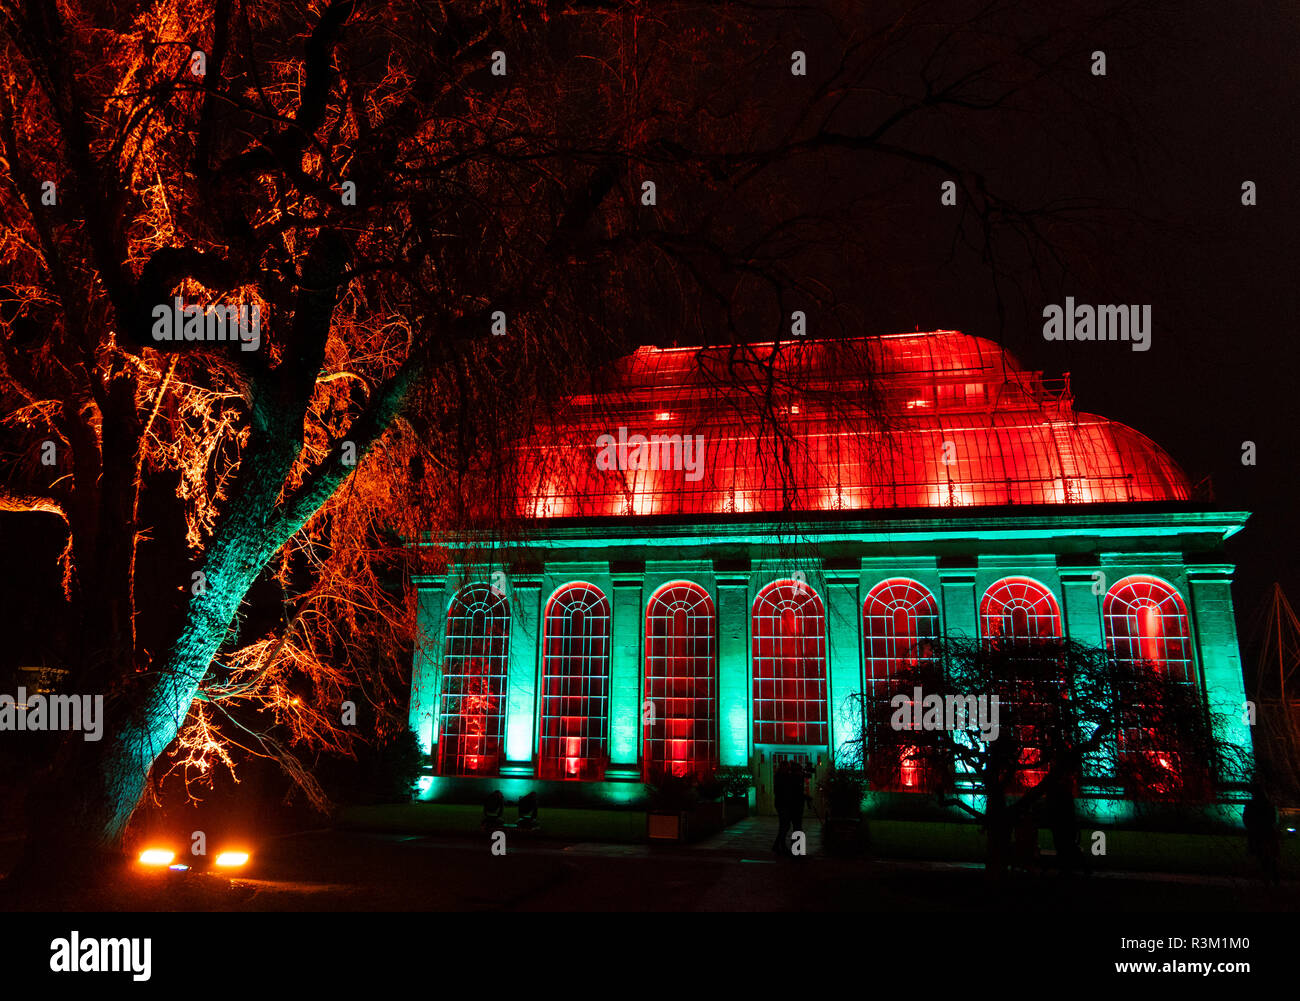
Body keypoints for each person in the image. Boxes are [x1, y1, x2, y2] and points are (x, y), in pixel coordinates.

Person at [1242, 782, 1280, 885]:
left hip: (1259, 834)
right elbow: (1273, 819)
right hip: (1267, 833)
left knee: (1263, 857)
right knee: (1269, 857)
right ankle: (1272, 878)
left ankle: (1268, 878)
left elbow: (1246, 819)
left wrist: (1252, 827)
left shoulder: (1252, 805)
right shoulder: (1268, 804)